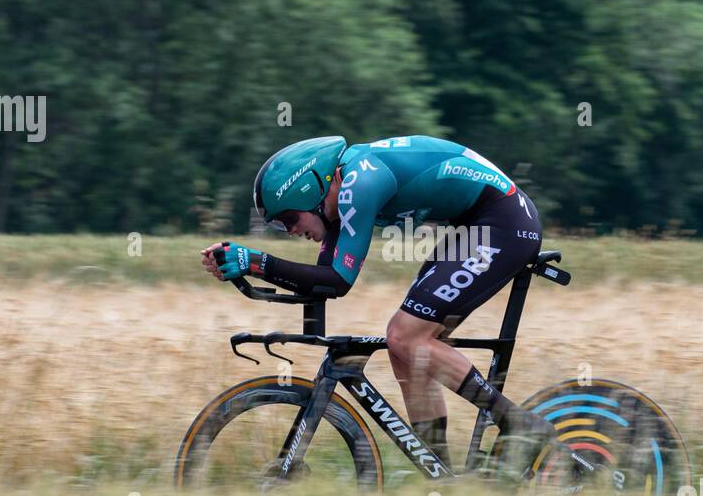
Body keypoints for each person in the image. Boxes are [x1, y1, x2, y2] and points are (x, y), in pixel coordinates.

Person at [202, 134, 556, 471]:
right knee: (402, 348)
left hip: (503, 222)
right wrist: (248, 270)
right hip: (476, 224)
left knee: (407, 336)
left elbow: (339, 280)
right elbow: (323, 283)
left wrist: (257, 262)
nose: (290, 231)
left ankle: (519, 424)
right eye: (281, 227)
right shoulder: (338, 195)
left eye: (288, 220)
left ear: (312, 192)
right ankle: (445, 475)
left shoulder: (360, 182)